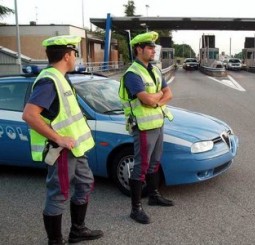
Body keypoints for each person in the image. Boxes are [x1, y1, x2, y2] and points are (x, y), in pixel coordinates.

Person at [22, 35, 103, 244]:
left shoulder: (61, 78)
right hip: (61, 151)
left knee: (85, 184)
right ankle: (55, 241)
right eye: (75, 53)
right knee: (58, 194)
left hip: (77, 149)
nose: (76, 57)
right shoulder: (49, 81)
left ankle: (77, 230)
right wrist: (59, 138)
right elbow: (30, 115)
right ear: (67, 55)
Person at [119, 31, 174, 224]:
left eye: (153, 47)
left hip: (157, 122)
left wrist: (156, 100)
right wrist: (158, 97)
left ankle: (153, 196)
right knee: (141, 166)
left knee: (154, 162)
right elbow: (147, 99)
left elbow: (168, 94)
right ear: (138, 49)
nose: (153, 50)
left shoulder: (154, 70)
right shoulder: (133, 74)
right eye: (149, 47)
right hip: (142, 126)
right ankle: (136, 209)